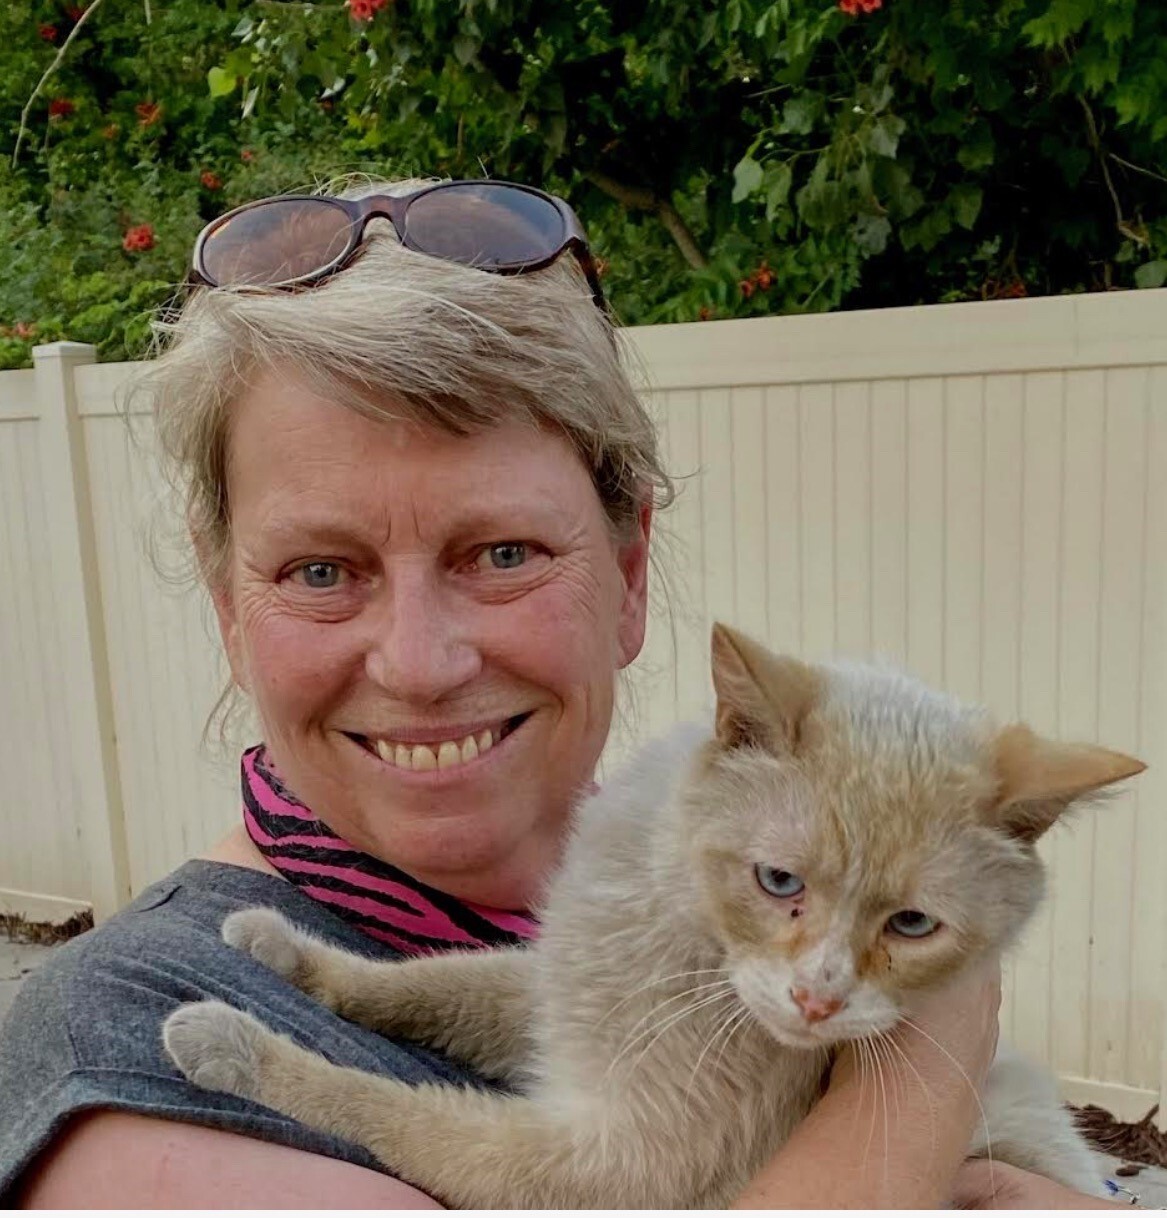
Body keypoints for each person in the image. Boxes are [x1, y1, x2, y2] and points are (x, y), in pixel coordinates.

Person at [0, 177, 1121, 1209]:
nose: (420, 663)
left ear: (629, 577)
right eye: (321, 571)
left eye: (502, 554)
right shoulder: (119, 1035)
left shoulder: (706, 895)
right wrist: (925, 1078)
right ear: (227, 606)